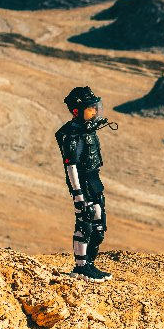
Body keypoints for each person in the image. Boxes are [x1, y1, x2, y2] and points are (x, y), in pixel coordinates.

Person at [56, 85, 115, 281]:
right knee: (85, 221)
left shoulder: (88, 130)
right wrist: (78, 195)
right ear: (76, 111)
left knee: (99, 225)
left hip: (94, 179)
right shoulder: (71, 135)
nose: (95, 111)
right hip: (81, 182)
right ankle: (81, 266)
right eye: (90, 108)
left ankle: (89, 263)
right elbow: (70, 166)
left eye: (95, 107)